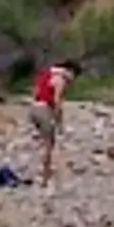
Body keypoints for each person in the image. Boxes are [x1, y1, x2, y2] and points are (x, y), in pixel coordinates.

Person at [26, 56, 74, 185]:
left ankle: (39, 172)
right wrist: (59, 122)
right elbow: (57, 100)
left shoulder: (47, 74)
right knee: (49, 143)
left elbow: (36, 92)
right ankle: (45, 178)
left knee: (42, 141)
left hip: (34, 107)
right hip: (44, 109)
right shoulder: (61, 80)